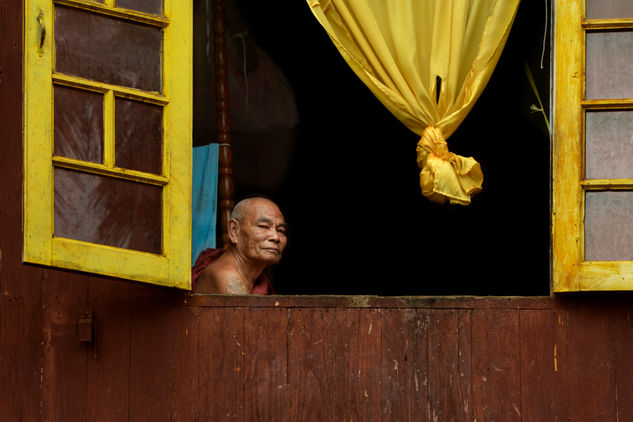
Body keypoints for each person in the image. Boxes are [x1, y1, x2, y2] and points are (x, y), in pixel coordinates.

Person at [192, 197, 287, 294]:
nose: (276, 237)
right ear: (234, 230)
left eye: (281, 230)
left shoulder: (256, 277)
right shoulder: (227, 277)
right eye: (263, 226)